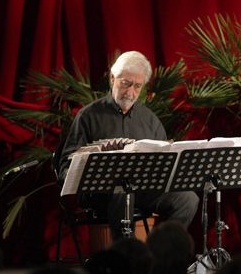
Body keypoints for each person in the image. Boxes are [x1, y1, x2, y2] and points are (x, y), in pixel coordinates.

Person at [57, 51, 199, 240]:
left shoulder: (151, 121)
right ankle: (127, 258)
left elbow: (166, 164)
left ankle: (161, 256)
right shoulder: (88, 116)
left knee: (188, 198)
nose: (131, 92)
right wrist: (82, 174)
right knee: (122, 193)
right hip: (100, 193)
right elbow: (66, 165)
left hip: (143, 189)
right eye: (126, 84)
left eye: (137, 86)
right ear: (112, 78)